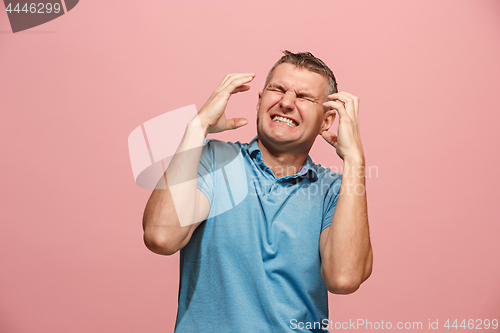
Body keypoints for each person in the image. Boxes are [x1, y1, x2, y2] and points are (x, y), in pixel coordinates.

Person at [142, 51, 373, 332]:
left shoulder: (334, 191)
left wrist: (355, 161)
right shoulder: (215, 161)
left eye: (304, 97)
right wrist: (197, 127)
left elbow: (344, 279)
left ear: (326, 121)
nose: (286, 102)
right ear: (260, 101)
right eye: (277, 89)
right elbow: (161, 237)